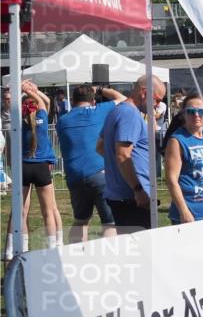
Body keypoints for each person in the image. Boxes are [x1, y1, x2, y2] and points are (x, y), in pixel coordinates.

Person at [57, 84, 126, 243]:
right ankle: (110, 260)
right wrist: (101, 89)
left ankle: (75, 257)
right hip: (99, 173)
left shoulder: (62, 120)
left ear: (73, 101)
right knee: (109, 223)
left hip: (74, 176)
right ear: (93, 100)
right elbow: (121, 99)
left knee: (81, 220)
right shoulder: (99, 111)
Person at [98, 75, 167, 233]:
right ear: (144, 93)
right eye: (157, 100)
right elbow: (122, 154)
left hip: (122, 195)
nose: (157, 105)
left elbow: (101, 147)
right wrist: (137, 189)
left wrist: (118, 169)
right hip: (132, 198)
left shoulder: (116, 111)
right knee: (142, 252)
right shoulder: (130, 114)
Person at [4, 81, 62, 255]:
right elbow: (46, 102)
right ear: (37, 107)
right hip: (41, 168)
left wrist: (24, 92)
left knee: (19, 211)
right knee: (48, 212)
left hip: (23, 166)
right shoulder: (43, 118)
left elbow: (38, 103)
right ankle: (52, 249)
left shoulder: (18, 120)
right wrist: (33, 91)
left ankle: (13, 249)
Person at [163, 93, 203, 224]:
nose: (196, 115)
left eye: (201, 111)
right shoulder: (177, 140)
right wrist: (184, 211)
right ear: (183, 114)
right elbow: (171, 179)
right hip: (190, 214)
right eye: (191, 111)